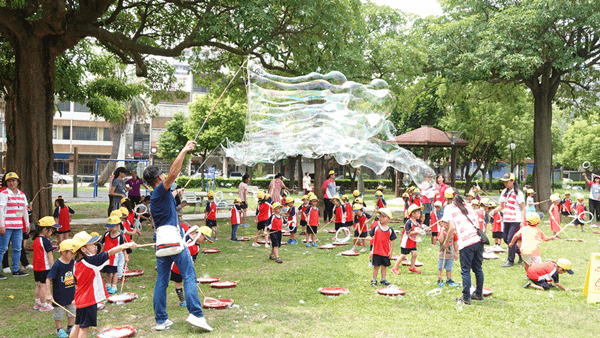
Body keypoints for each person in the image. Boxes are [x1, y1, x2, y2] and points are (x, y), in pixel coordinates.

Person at [142, 140, 212, 332]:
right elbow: (174, 172)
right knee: (189, 275)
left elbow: (166, 200)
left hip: (161, 244)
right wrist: (184, 150)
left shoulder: (157, 196)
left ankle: (161, 320)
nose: (166, 177)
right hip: (173, 240)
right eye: (163, 176)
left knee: (162, 281)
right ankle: (196, 314)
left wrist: (175, 194)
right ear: (159, 178)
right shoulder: (161, 189)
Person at [70, 231, 137, 338]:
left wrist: (75, 298)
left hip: (80, 299)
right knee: (83, 330)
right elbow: (110, 252)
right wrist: (126, 245)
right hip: (88, 300)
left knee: (77, 325)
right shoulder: (92, 261)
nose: (95, 246)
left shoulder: (75, 264)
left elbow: (77, 284)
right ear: (83, 249)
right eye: (91, 244)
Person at [443, 188, 485, 305]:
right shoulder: (467, 204)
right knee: (477, 268)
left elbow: (451, 228)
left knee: (465, 270)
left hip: (466, 242)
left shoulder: (449, 208)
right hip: (478, 240)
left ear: (447, 199)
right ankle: (479, 294)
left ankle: (466, 298)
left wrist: (447, 241)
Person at [171, 225, 213, 307]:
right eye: (204, 239)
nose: (204, 241)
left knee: (189, 282)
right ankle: (182, 300)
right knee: (178, 282)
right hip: (177, 266)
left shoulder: (197, 247)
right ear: (199, 234)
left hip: (187, 267)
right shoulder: (185, 238)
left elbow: (193, 258)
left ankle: (190, 299)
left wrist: (191, 263)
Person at [490, 173, 526, 268]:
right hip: (506, 219)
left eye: (507, 181)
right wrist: (494, 211)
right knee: (506, 239)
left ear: (512, 181)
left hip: (516, 220)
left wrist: (522, 221)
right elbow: (501, 206)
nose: (505, 183)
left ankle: (510, 260)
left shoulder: (518, 193)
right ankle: (520, 253)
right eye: (504, 181)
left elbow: (523, 208)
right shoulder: (504, 192)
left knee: (511, 239)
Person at [0, 171, 30, 279]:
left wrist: (27, 224)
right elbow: (1, 209)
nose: (11, 183)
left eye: (13, 181)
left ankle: (16, 270)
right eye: (9, 181)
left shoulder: (22, 195)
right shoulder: (3, 194)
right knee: (2, 248)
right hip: (7, 226)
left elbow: (24, 210)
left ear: (18, 182)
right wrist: (2, 225)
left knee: (17, 248)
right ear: (6, 183)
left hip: (18, 227)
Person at [46, 239, 77, 338]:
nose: (73, 254)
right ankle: (59, 329)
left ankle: (70, 327)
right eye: (71, 252)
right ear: (63, 252)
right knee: (58, 313)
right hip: (59, 295)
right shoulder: (57, 265)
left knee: (72, 311)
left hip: (71, 293)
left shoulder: (72, 262)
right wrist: (48, 294)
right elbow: (48, 279)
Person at [33, 216, 60, 312]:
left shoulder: (36, 239)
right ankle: (44, 304)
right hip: (44, 267)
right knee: (44, 285)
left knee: (39, 285)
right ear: (45, 230)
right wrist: (53, 268)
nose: (52, 231)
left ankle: (37, 302)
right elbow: (50, 256)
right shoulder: (46, 241)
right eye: (51, 229)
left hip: (36, 268)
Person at [392, 204, 424, 275]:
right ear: (413, 214)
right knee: (403, 256)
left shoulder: (417, 223)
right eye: (418, 213)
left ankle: (412, 268)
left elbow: (417, 231)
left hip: (413, 241)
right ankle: (395, 267)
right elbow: (408, 232)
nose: (420, 214)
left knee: (414, 254)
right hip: (406, 242)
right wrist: (417, 232)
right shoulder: (408, 222)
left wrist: (422, 231)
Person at [368, 208, 396, 286]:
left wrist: (390, 251)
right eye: (380, 216)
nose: (381, 218)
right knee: (376, 267)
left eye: (384, 216)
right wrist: (369, 238)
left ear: (389, 219)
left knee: (384, 267)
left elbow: (392, 240)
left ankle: (383, 279)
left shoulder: (390, 230)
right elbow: (371, 235)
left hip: (385, 252)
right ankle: (374, 280)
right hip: (377, 251)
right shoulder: (376, 228)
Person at [100, 216, 124, 295]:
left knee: (115, 272)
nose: (110, 229)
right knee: (108, 272)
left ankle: (114, 286)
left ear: (118, 225)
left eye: (112, 227)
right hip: (106, 257)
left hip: (114, 258)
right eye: (109, 227)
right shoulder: (106, 234)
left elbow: (123, 247)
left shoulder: (119, 237)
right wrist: (100, 254)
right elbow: (103, 245)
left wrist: (126, 257)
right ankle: (108, 285)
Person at [437, 220, 459, 287]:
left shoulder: (453, 234)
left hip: (450, 254)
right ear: (441, 223)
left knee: (449, 268)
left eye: (448, 223)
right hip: (442, 254)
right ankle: (440, 279)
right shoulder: (441, 233)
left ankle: (449, 279)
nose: (446, 224)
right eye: (444, 222)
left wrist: (456, 253)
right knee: (440, 268)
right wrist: (442, 231)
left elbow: (455, 244)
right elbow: (440, 240)